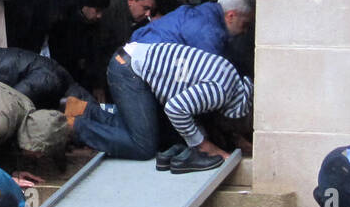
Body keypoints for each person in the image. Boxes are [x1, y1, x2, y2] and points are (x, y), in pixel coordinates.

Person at [67, 41, 253, 172]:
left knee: (140, 127)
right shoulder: (220, 92)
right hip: (129, 70)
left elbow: (194, 109)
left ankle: (79, 108)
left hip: (131, 61)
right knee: (143, 146)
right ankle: (73, 126)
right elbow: (176, 108)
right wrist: (203, 144)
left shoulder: (230, 78)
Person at [131, 0, 255, 57]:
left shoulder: (205, 15)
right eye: (245, 24)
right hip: (135, 65)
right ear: (231, 16)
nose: (245, 31)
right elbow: (213, 74)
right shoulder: (209, 31)